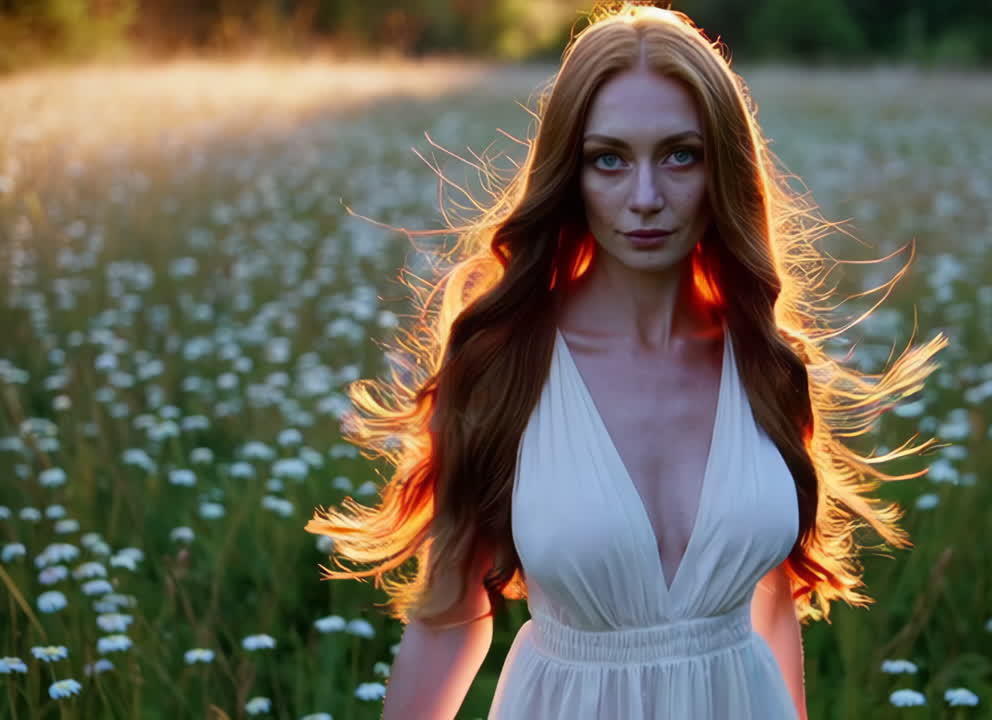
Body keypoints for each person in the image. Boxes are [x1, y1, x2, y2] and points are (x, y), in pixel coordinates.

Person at [305, 3, 947, 719]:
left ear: (723, 169)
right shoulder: (504, 364)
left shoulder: (767, 361)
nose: (646, 199)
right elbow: (448, 621)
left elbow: (772, 609)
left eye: (680, 155)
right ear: (570, 176)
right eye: (609, 159)